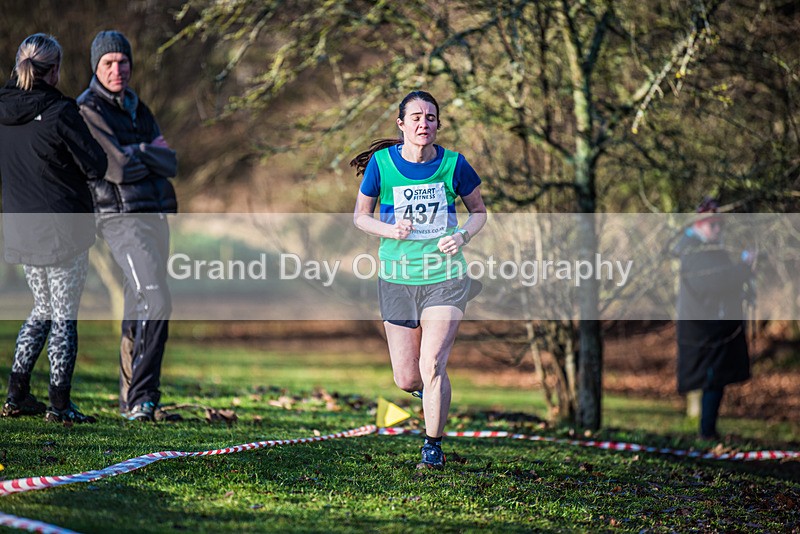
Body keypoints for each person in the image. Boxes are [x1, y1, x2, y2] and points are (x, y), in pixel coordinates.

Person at [351, 90, 487, 469]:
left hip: (445, 275)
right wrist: (389, 230)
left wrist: (462, 236)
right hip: (397, 277)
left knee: (433, 365)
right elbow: (360, 216)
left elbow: (479, 211)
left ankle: (433, 446)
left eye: (430, 117)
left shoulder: (455, 164)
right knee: (408, 377)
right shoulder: (382, 164)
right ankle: (430, 395)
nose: (423, 123)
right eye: (416, 117)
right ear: (401, 124)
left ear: (438, 124)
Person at [0, 33, 108, 423]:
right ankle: (60, 406)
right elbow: (96, 165)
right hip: (64, 229)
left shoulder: (2, 108)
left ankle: (16, 395)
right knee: (63, 315)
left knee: (42, 308)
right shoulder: (61, 111)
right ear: (55, 70)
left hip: (21, 227)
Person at [77, 30, 178, 422]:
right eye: (108, 63)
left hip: (155, 214)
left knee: (141, 304)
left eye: (123, 62)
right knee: (157, 300)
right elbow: (117, 168)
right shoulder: (89, 110)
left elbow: (170, 164)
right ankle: (143, 398)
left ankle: (133, 401)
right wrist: (142, 154)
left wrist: (137, 152)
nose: (117, 69)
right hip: (121, 220)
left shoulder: (140, 108)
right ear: (96, 67)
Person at [673, 197, 753, 439]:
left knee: (716, 380)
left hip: (714, 326)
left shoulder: (707, 249)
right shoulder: (694, 251)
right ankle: (706, 431)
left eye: (720, 225)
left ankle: (708, 429)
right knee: (711, 379)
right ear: (699, 225)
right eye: (712, 225)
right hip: (703, 329)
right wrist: (743, 268)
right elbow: (714, 282)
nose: (718, 230)